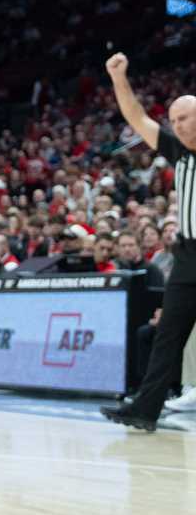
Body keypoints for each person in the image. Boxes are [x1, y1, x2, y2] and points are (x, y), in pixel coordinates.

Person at [100, 53, 195, 431]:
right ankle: (144, 409)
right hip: (187, 255)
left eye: (185, 118)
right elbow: (137, 118)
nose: (178, 126)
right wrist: (119, 78)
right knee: (167, 336)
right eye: (174, 121)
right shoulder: (177, 150)